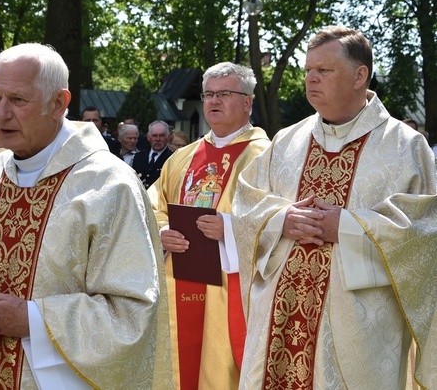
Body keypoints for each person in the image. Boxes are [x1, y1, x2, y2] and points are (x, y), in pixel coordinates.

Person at [0, 43, 172, 388]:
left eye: (17, 100)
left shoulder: (108, 185)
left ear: (59, 103)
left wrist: (34, 319)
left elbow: (132, 312)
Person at [233, 26, 437, 388]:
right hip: (281, 318)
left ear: (360, 76)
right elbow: (246, 204)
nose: (311, 78)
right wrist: (281, 219)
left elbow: (424, 233)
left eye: (324, 70)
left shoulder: (406, 147)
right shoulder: (287, 140)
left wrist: (347, 226)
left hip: (359, 326)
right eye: (308, 70)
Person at [151, 63, 270, 389]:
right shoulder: (181, 158)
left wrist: (232, 229)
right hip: (179, 278)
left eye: (225, 94)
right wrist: (162, 231)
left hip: (230, 288)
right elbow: (153, 205)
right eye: (209, 94)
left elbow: (282, 217)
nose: (214, 101)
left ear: (247, 102)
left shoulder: (267, 157)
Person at [132, 120, 173, 188]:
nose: (157, 139)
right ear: (148, 137)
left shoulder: (172, 158)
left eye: (162, 135)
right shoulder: (139, 157)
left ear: (168, 137)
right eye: (154, 135)